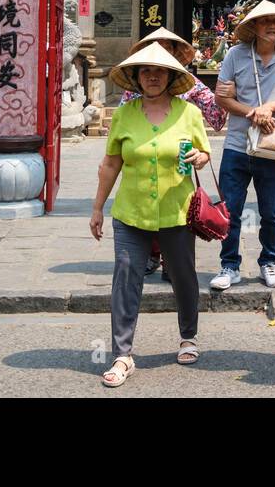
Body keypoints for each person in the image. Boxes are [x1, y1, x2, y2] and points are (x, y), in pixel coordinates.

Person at [89, 42, 212, 389]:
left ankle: (188, 335)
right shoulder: (124, 115)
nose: (153, 76)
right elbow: (111, 162)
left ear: (171, 76)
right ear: (136, 77)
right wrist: (98, 207)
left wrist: (200, 159)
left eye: (160, 71)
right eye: (146, 70)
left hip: (177, 210)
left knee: (184, 276)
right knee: (126, 278)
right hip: (131, 212)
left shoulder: (189, 113)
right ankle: (122, 354)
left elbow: (204, 152)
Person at [211, 0, 275, 290]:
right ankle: (229, 265)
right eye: (266, 21)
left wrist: (269, 107)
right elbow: (222, 98)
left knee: (270, 210)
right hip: (237, 144)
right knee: (231, 209)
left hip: (272, 144)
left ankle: (269, 261)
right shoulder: (235, 55)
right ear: (253, 26)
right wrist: (253, 112)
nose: (273, 26)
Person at [117, 27, 228, 278]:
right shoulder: (136, 87)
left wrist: (226, 96)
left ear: (176, 55)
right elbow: (120, 127)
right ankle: (150, 254)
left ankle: (171, 260)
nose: (160, 54)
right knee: (146, 207)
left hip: (177, 156)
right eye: (155, 47)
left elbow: (215, 116)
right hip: (144, 156)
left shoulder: (191, 85)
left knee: (175, 209)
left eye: (167, 48)